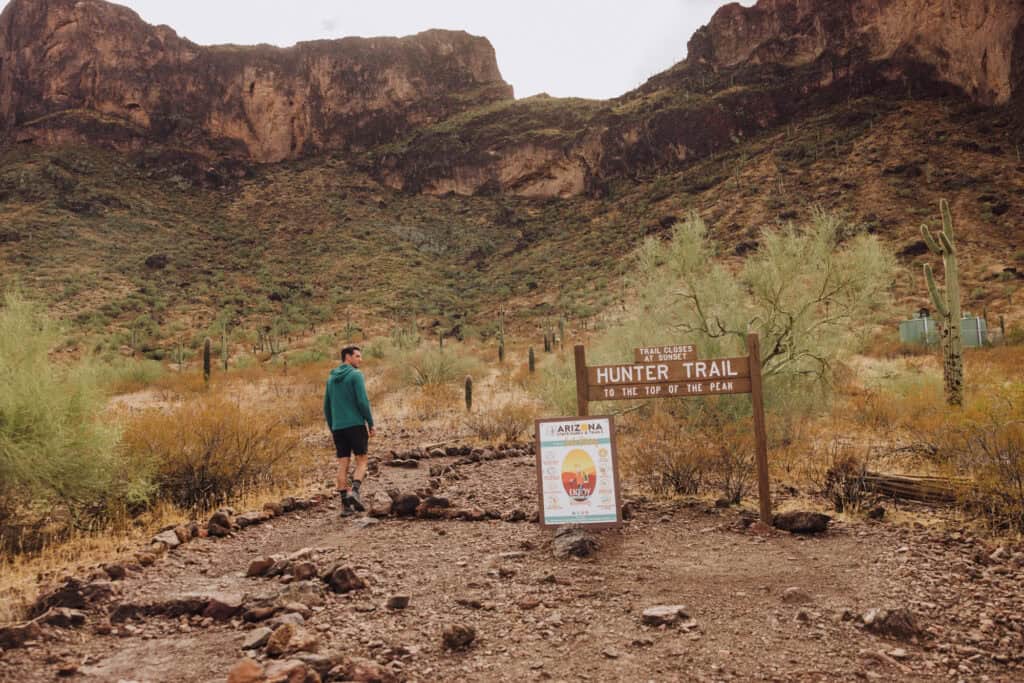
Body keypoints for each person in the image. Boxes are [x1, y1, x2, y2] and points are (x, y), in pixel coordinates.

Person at [324, 345, 375, 516]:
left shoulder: (331, 379)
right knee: (362, 460)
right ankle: (355, 492)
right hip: (355, 425)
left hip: (338, 428)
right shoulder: (356, 375)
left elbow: (326, 407)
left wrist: (333, 427)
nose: (360, 359)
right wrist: (370, 422)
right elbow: (362, 401)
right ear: (348, 357)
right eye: (358, 356)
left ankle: (345, 506)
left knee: (342, 464)